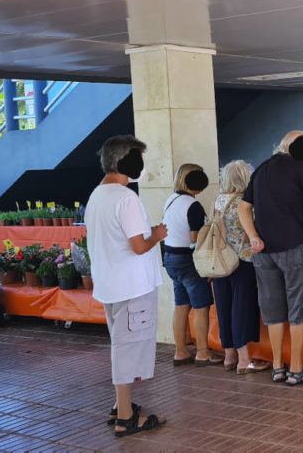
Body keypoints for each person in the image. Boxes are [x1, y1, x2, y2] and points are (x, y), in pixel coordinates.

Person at [238, 131, 303, 386]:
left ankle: (277, 367)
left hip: (264, 252)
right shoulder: (298, 167)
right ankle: (296, 369)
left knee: (273, 309)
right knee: (299, 306)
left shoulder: (263, 168)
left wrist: (253, 236)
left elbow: (244, 206)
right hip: (295, 248)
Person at [85, 135, 167, 437]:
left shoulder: (98, 194)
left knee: (122, 346)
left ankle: (122, 406)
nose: (142, 166)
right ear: (124, 162)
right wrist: (157, 234)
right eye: (139, 159)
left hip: (111, 284)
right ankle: (125, 416)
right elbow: (138, 246)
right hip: (132, 287)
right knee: (127, 350)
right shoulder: (126, 198)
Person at [212, 160, 269, 374]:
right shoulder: (245, 204)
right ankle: (244, 360)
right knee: (242, 309)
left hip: (220, 262)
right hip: (242, 262)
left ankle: (229, 356)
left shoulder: (218, 200)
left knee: (224, 308)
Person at [162, 163, 221, 367]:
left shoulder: (171, 200)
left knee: (181, 306)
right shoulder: (192, 205)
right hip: (189, 260)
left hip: (171, 258)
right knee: (201, 306)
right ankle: (203, 352)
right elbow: (196, 241)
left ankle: (180, 351)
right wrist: (206, 266)